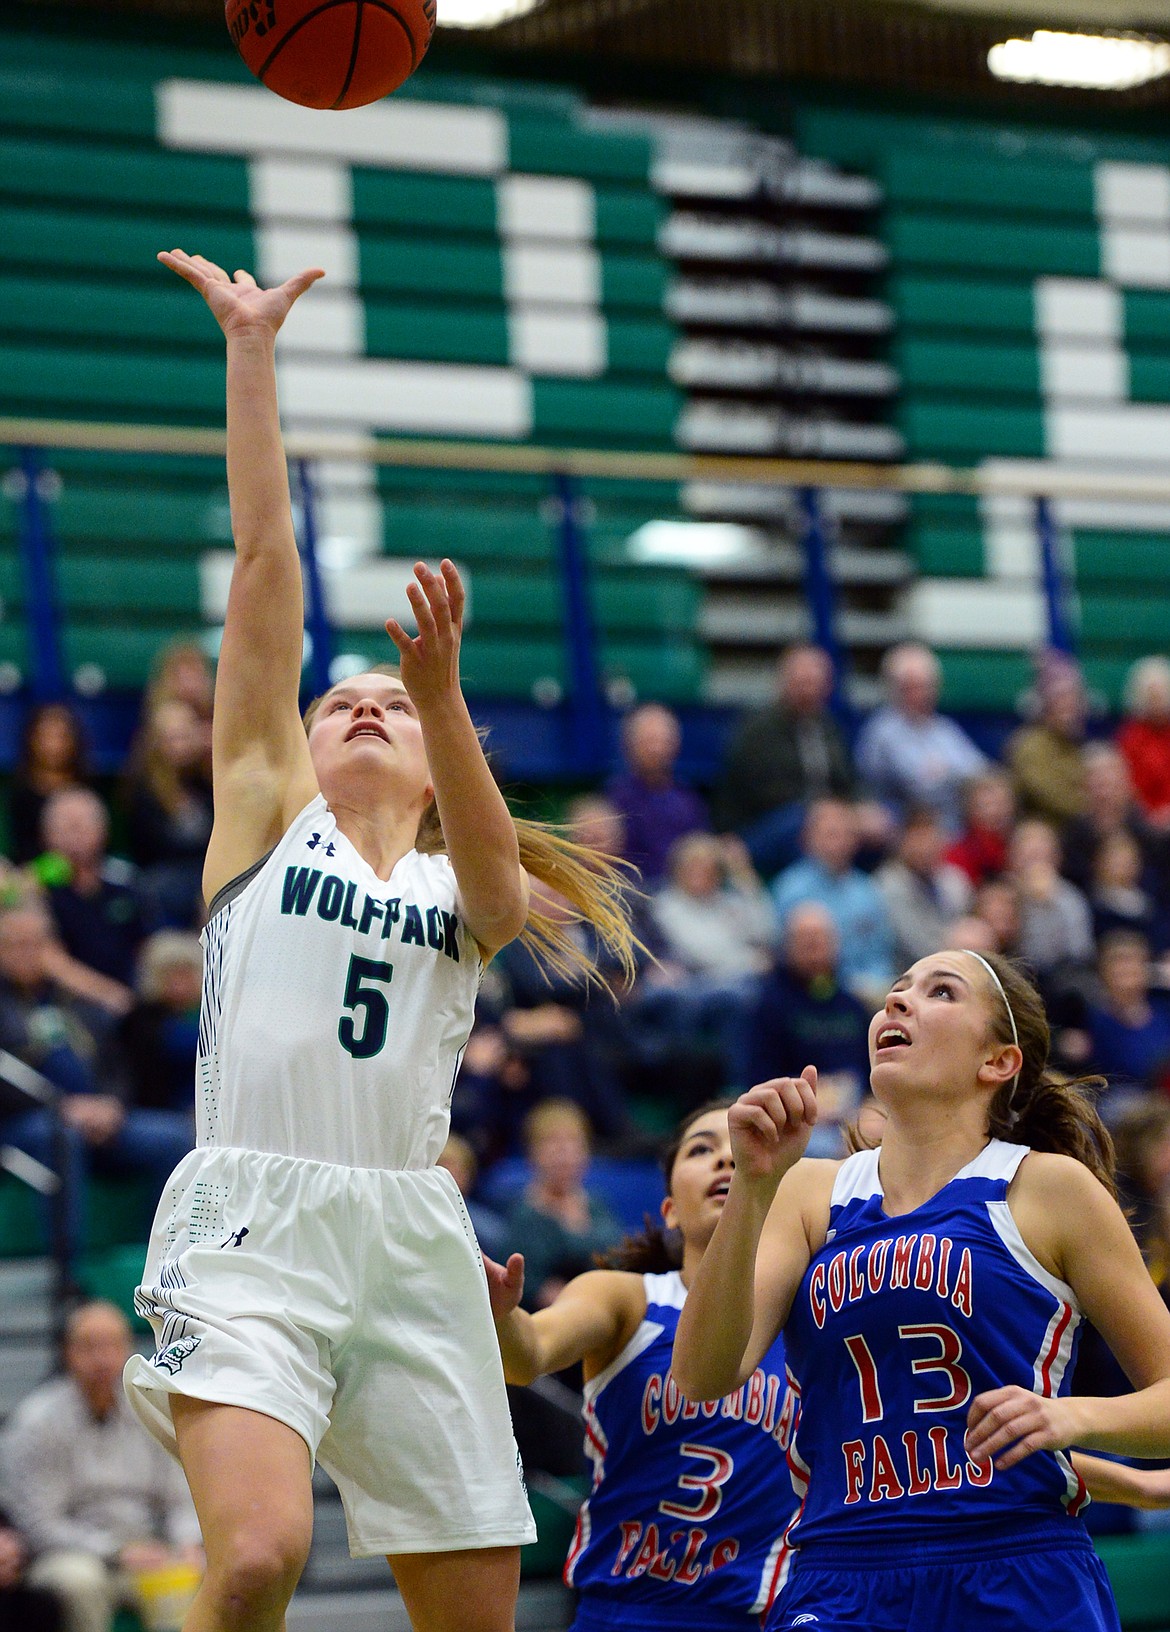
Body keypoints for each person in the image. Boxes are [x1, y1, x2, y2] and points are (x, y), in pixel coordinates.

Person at [122, 249, 638, 1632]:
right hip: (251, 1220)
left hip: (411, 1232)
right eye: (338, 697)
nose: (359, 705)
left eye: (388, 708)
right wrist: (249, 352)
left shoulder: (464, 887)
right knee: (252, 1559)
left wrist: (441, 692)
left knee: (470, 1612)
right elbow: (265, 562)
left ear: (433, 757)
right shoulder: (262, 816)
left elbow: (492, 873)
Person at [672, 949, 1170, 1631]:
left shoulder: (1049, 1189)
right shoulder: (812, 1192)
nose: (897, 1002)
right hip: (840, 1573)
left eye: (939, 992)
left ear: (997, 1062)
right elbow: (701, 1374)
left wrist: (1074, 1418)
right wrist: (753, 1192)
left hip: (1016, 1565)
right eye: (896, 989)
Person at [485, 1100, 799, 1632]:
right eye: (703, 1149)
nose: (728, 1160)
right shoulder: (625, 1298)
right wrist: (498, 1315)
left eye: (738, 1146)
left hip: (767, 1614)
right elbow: (529, 1353)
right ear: (671, 1208)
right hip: (627, 1613)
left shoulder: (814, 1314)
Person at [0, 1301, 201, 1632]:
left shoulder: (149, 1408)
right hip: (69, 1554)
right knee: (80, 1581)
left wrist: (187, 1543)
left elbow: (180, 1494)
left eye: (112, 1345)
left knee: (202, 1572)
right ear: (68, 1353)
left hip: (147, 1546)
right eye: (90, 1347)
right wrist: (118, 1551)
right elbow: (39, 1524)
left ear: (128, 1349)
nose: (103, 1358)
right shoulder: (37, 1422)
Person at [738, 904, 870, 1155]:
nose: (814, 946)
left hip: (854, 1115)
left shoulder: (852, 1006)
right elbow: (757, 1080)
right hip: (797, 1120)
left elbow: (870, 1075)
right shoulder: (767, 1005)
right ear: (787, 946)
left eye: (821, 938)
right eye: (805, 939)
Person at [771, 799, 895, 1006]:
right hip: (807, 989)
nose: (838, 843)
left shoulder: (868, 891)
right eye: (830, 834)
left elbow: (880, 953)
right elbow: (783, 956)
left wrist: (873, 983)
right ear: (808, 839)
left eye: (845, 834)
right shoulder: (790, 888)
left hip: (867, 988)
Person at [854, 643, 986, 835]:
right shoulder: (882, 731)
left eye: (926, 686)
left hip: (953, 826)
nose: (920, 694)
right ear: (893, 689)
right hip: (906, 827)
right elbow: (920, 787)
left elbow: (980, 772)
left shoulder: (944, 728)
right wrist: (954, 776)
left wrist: (946, 773)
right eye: (911, 687)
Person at [503, 1099, 622, 1310]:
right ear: (532, 1154)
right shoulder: (524, 1214)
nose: (564, 1154)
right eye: (553, 1144)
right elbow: (530, 1287)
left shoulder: (597, 1204)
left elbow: (618, 1262)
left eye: (573, 1143)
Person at [40, 788, 148, 994]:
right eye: (63, 829)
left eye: (79, 827)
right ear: (46, 836)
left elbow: (148, 944)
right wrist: (110, 995)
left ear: (103, 831)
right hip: (67, 996)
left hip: (132, 989)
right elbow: (49, 959)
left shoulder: (126, 881)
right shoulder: (38, 889)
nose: (72, 838)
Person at [605, 702, 708, 886]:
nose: (656, 749)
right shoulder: (613, 799)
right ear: (629, 744)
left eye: (663, 741)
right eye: (648, 741)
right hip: (632, 894)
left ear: (675, 745)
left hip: (682, 895)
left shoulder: (688, 799)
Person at [875, 806, 972, 968]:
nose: (925, 848)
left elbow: (967, 924)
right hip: (906, 971)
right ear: (903, 843)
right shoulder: (888, 885)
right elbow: (914, 945)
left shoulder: (955, 880)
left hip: (956, 963)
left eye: (931, 839)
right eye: (918, 840)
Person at [1006, 654, 1090, 830]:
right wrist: (1094, 805)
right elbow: (1051, 795)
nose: (1071, 710)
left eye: (1075, 701)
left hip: (1078, 834)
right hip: (1042, 831)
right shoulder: (1029, 745)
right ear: (1046, 707)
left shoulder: (1079, 747)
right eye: (1062, 702)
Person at [7, 702, 91, 867]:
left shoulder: (87, 791)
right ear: (32, 740)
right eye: (46, 736)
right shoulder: (21, 795)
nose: (54, 746)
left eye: (61, 736)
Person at [1117, 655, 1170, 831]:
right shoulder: (1129, 738)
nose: (1157, 701)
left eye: (1161, 694)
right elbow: (1127, 787)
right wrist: (1150, 815)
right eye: (1151, 695)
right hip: (1142, 823)